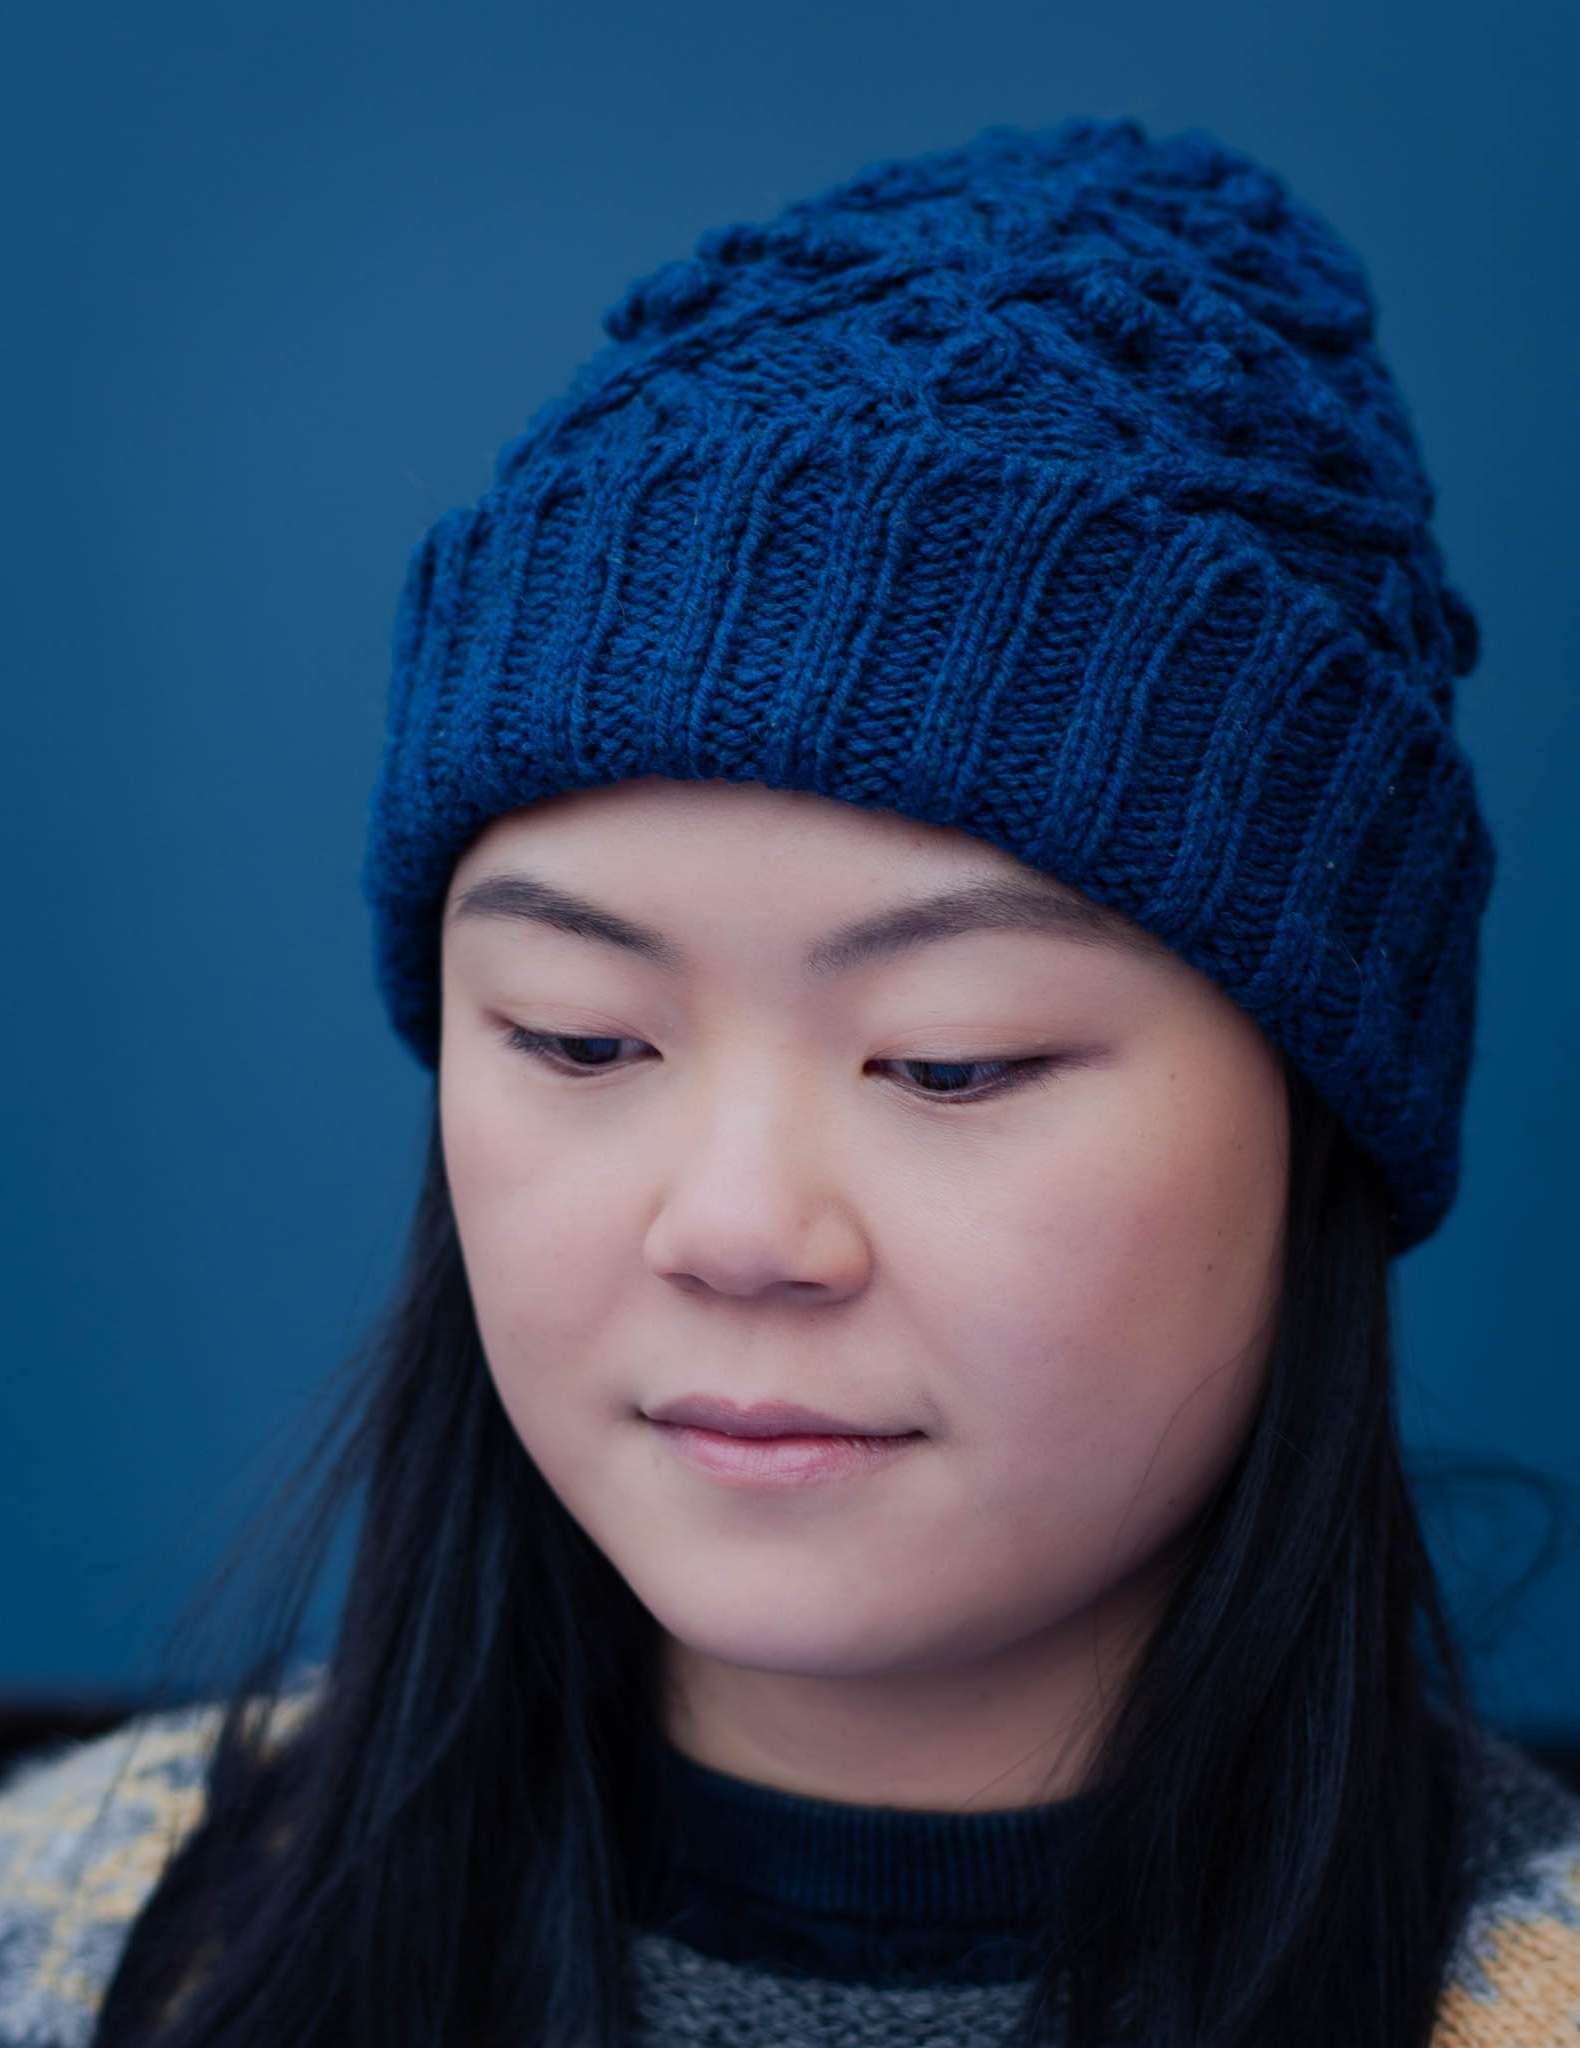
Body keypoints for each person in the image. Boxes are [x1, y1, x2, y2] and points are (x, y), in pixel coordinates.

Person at [2, 112, 1577, 2048]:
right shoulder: (72, 1942)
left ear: (1316, 1118)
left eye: (949, 1059)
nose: (737, 1227)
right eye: (580, 1038)